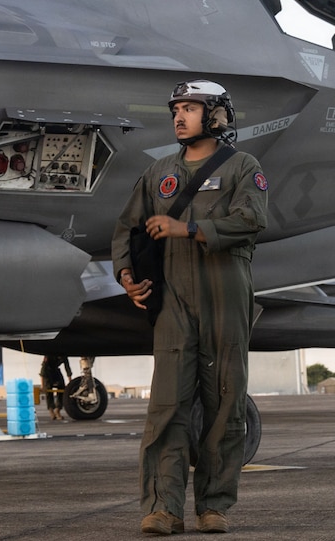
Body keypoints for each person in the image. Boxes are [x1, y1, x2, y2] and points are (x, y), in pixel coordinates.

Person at [111, 80, 267, 535]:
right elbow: (126, 229)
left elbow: (252, 219)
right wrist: (126, 277)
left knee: (224, 403)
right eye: (176, 108)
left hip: (225, 295)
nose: (179, 116)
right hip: (174, 299)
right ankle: (163, 507)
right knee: (167, 406)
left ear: (216, 115)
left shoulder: (244, 167)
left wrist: (189, 229)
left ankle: (214, 506)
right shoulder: (159, 171)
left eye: (190, 108)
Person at [39, 355, 72, 420]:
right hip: (47, 372)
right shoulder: (49, 355)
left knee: (62, 388)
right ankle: (51, 410)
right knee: (48, 391)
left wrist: (70, 382)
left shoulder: (64, 355)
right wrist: (42, 385)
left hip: (56, 371)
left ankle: (58, 410)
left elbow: (67, 368)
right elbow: (43, 370)